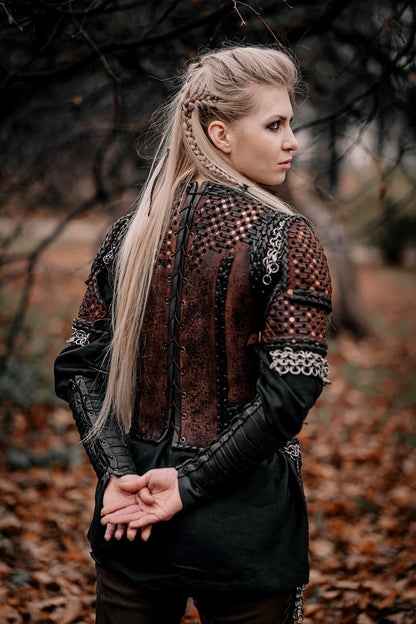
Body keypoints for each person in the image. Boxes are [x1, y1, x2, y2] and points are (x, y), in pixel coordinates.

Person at [54, 45, 332, 624]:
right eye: (275, 124)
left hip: (131, 516)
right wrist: (183, 484)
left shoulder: (130, 231)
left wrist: (119, 474)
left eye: (291, 124)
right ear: (220, 134)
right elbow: (290, 395)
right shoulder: (287, 236)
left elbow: (78, 367)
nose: (292, 141)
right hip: (245, 529)